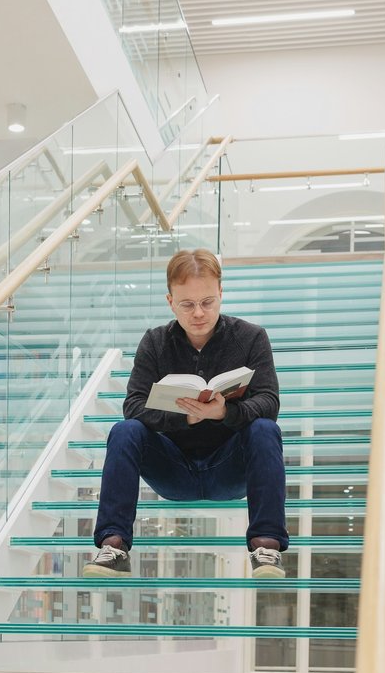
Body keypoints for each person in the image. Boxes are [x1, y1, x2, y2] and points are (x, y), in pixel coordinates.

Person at [83, 248, 288, 579]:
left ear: (221, 293)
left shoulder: (251, 338)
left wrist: (225, 412)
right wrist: (186, 417)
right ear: (170, 301)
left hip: (229, 469)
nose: (198, 313)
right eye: (187, 304)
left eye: (207, 302)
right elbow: (133, 406)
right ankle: (114, 546)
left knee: (265, 428)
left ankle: (267, 547)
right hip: (173, 470)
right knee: (125, 430)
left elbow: (269, 401)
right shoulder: (154, 343)